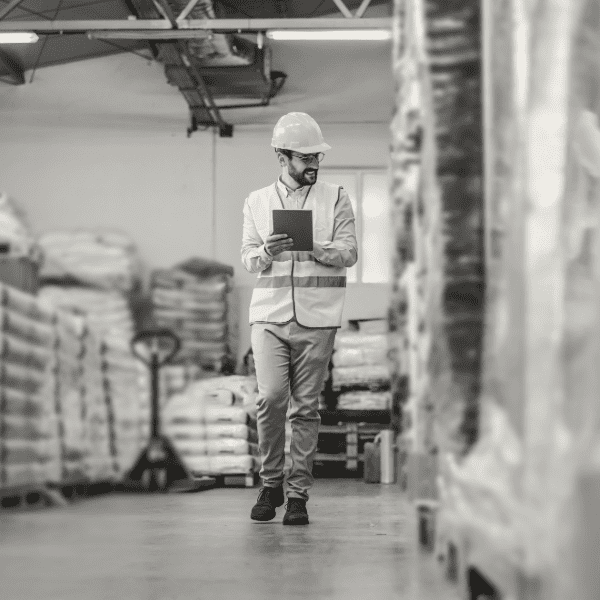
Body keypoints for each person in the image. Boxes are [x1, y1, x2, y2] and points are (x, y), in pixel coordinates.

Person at [241, 112, 358, 525]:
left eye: (316, 157)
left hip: (319, 316)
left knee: (305, 409)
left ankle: (297, 496)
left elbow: (349, 253)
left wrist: (316, 249)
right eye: (304, 157)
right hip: (269, 317)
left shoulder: (336, 196)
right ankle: (270, 481)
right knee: (271, 398)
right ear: (281, 156)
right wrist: (268, 253)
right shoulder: (257, 201)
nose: (313, 164)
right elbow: (248, 258)